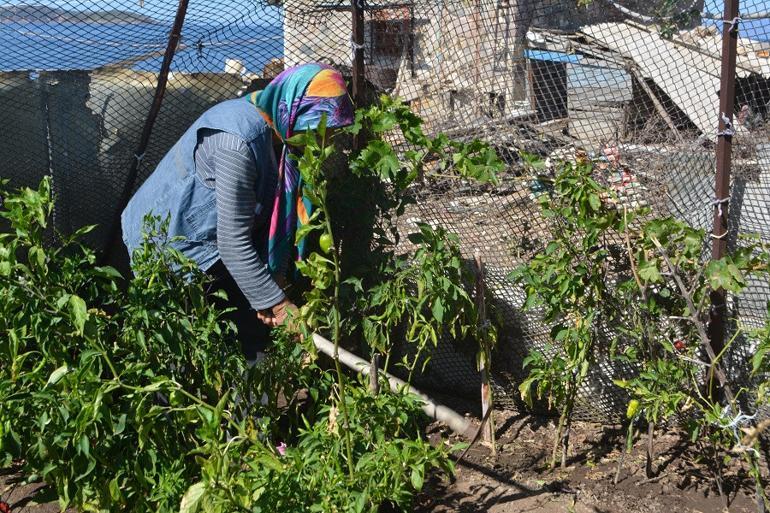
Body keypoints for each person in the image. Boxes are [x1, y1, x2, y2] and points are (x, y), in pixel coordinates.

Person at [121, 63, 355, 360]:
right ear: (296, 113)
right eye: (322, 131)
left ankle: (245, 389)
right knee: (177, 348)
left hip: (214, 241)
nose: (327, 143)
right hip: (166, 242)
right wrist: (279, 305)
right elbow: (233, 243)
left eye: (332, 133)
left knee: (243, 330)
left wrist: (273, 286)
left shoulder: (280, 132)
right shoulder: (238, 143)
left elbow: (274, 222)